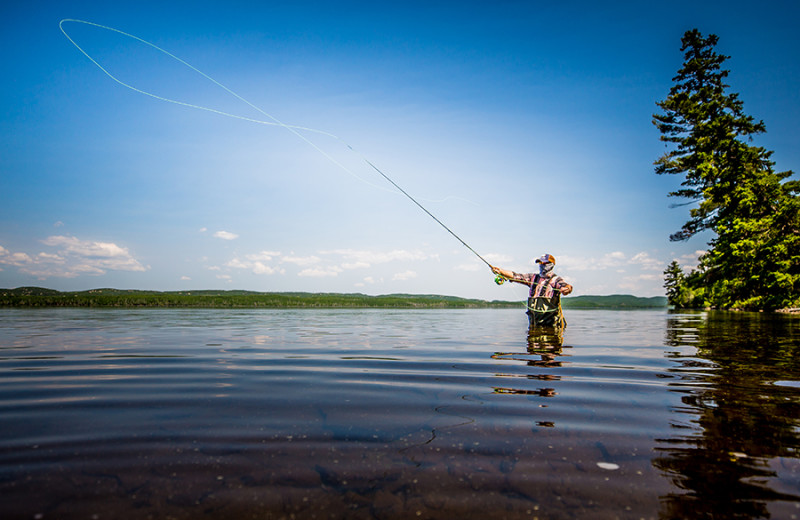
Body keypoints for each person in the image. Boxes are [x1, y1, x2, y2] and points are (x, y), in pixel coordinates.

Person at [491, 253, 573, 329]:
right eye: (540, 263)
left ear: (551, 265)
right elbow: (515, 276)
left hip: (551, 325)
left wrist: (566, 289)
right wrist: (500, 271)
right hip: (534, 324)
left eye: (544, 263)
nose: (542, 265)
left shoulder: (556, 279)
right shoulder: (533, 277)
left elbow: (566, 287)